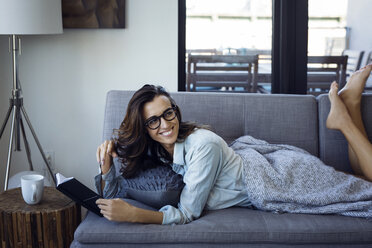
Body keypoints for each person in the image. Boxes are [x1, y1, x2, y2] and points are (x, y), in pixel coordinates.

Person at [95, 64, 372, 225]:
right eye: (153, 121)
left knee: (364, 191)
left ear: (175, 111)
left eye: (168, 114)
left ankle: (345, 119)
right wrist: (108, 166)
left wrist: (135, 215)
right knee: (358, 182)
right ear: (144, 128)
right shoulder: (160, 148)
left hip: (283, 177)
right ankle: (350, 106)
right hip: (271, 169)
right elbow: (121, 186)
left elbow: (188, 212)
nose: (165, 124)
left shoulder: (201, 146)